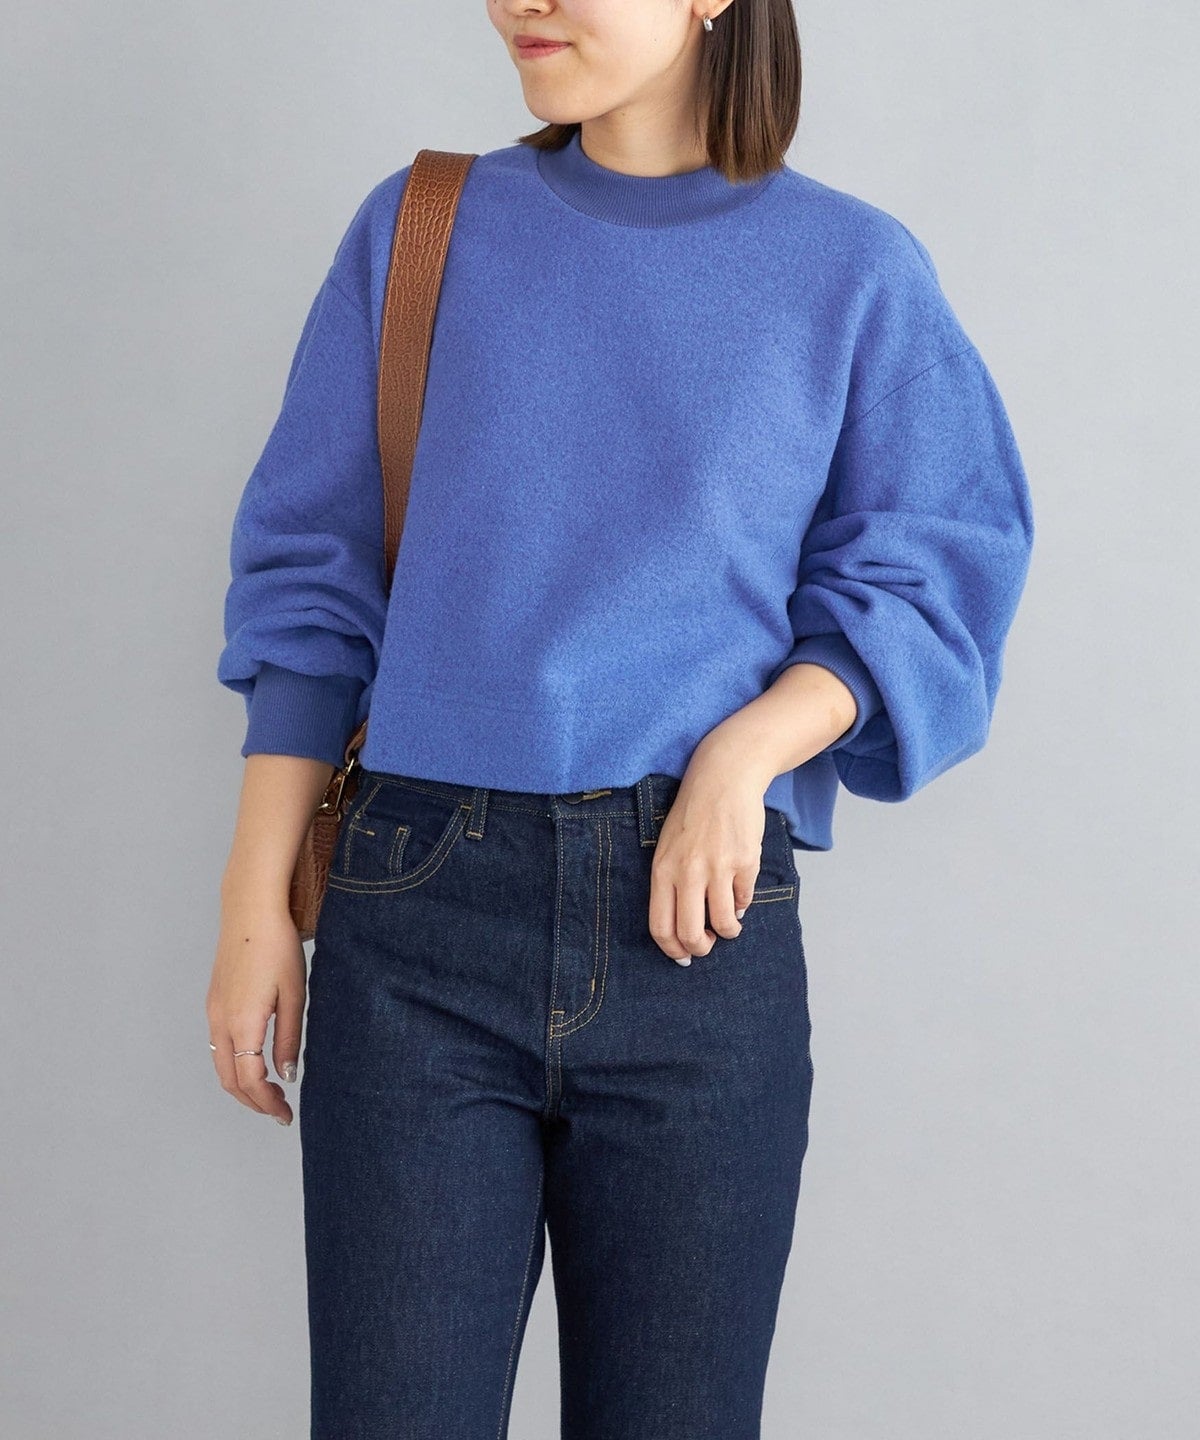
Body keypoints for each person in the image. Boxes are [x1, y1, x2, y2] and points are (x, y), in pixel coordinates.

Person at [208, 2, 1034, 1436]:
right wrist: (252, 906)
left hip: (694, 935)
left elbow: (935, 573)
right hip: (416, 927)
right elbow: (313, 581)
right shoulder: (423, 231)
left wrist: (745, 751)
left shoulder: (851, 270)